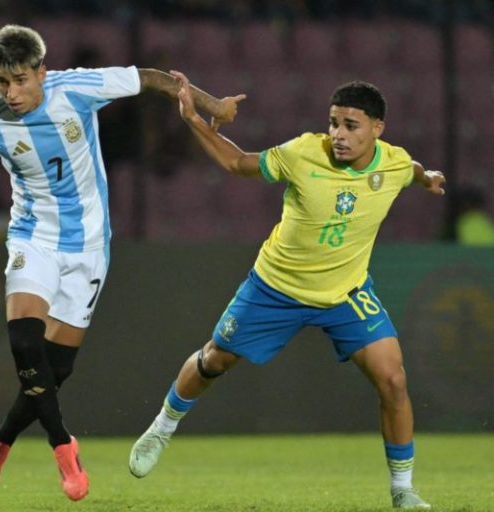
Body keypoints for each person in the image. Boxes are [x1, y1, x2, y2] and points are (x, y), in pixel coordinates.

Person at [0, 25, 239, 501]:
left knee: (54, 371)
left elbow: (153, 78)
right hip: (33, 239)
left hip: (88, 246)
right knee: (25, 345)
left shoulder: (77, 90)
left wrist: (212, 106)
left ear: (42, 72)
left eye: (21, 80)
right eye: (2, 81)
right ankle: (64, 446)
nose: (12, 92)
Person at [128, 72, 445, 510]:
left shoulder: (392, 163)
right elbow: (238, 163)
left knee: (393, 379)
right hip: (276, 288)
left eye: (351, 126)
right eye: (334, 122)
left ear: (377, 129)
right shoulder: (302, 152)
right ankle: (162, 427)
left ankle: (403, 489)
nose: (338, 134)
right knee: (214, 359)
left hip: (345, 294)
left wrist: (426, 176)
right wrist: (194, 120)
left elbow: (408, 171)